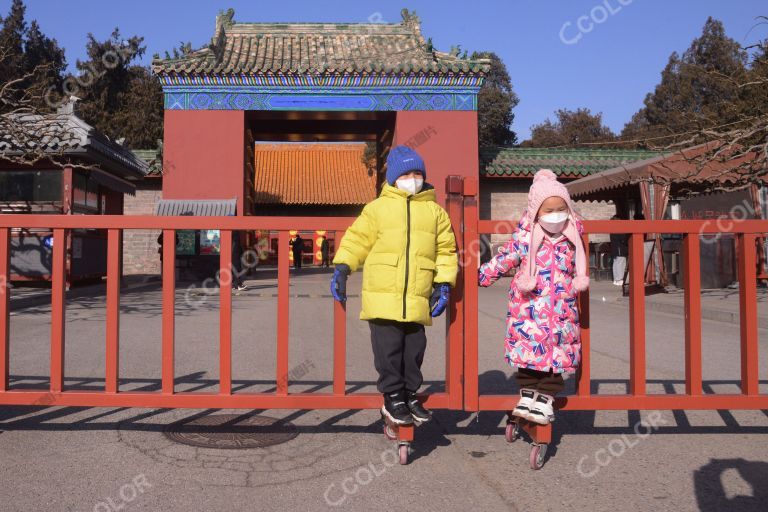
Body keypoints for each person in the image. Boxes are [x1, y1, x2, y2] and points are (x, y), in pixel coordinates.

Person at [330, 145, 458, 426]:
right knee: (388, 352)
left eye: (417, 173)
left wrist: (443, 283)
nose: (413, 178)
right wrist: (342, 267)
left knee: (414, 350)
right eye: (407, 173)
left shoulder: (436, 213)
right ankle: (392, 398)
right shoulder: (376, 209)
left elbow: (446, 250)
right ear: (393, 178)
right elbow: (357, 240)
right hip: (382, 296)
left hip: (416, 295)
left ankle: (410, 393)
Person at [478, 169, 589, 425]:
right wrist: (482, 274)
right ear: (536, 212)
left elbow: (578, 264)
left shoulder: (572, 236)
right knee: (528, 359)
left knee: (555, 360)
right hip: (528, 310)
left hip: (562, 311)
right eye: (548, 210)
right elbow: (507, 257)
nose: (555, 215)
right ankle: (528, 396)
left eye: (561, 208)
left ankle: (545, 399)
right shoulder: (525, 237)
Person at [610, 215, 628, 286]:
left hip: (614, 249)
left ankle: (616, 279)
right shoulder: (618, 229)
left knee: (616, 264)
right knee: (621, 263)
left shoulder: (611, 228)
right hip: (620, 249)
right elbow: (623, 239)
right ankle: (620, 279)